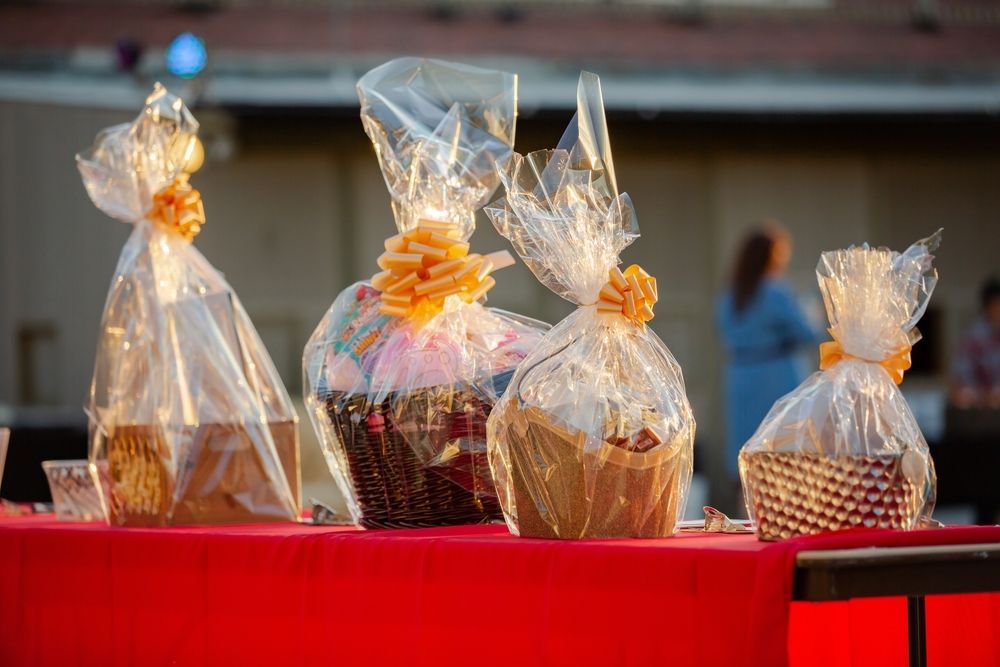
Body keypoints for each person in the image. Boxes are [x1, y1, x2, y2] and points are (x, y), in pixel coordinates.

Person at [716, 223, 818, 479]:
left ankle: (744, 510)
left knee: (747, 451)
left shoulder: (730, 295)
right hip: (778, 376)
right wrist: (811, 307)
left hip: (741, 376)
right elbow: (807, 333)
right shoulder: (776, 293)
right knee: (782, 450)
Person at [951, 277, 1000, 408]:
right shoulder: (974, 337)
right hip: (979, 409)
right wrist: (983, 395)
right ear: (988, 308)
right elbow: (961, 380)